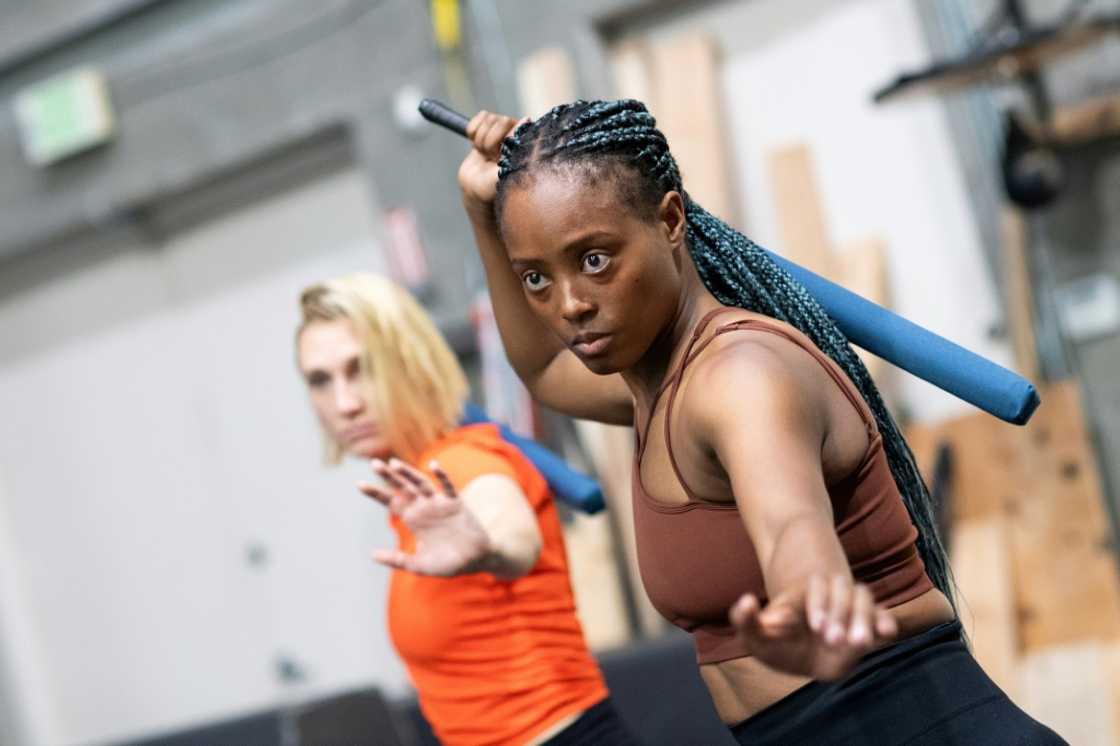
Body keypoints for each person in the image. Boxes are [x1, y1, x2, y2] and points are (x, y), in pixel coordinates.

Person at [456, 100, 1065, 744]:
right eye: (536, 278)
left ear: (670, 220)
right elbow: (546, 368)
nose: (571, 304)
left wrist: (811, 597)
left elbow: (790, 527)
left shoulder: (739, 376)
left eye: (595, 260)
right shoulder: (655, 384)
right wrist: (479, 211)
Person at [295, 272, 637, 745]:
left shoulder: (462, 462)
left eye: (361, 369)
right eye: (320, 380)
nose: (344, 403)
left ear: (408, 364)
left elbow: (514, 539)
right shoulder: (418, 488)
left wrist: (491, 550)